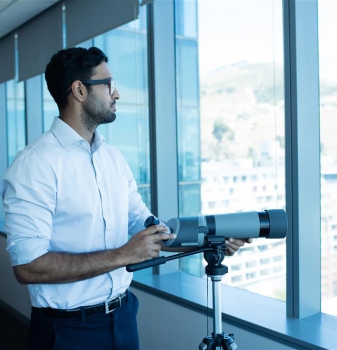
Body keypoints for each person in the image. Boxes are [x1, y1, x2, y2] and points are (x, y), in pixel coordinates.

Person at [0, 47, 248, 350]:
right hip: (66, 331)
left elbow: (149, 230)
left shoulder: (113, 159)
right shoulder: (35, 164)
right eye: (107, 84)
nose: (116, 94)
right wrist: (123, 255)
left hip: (124, 317)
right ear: (79, 90)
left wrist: (211, 240)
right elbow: (28, 266)